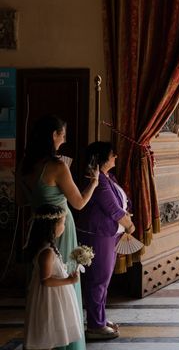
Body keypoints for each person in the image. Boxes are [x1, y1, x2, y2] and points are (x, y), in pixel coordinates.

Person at [20, 114, 99, 350]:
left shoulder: (26, 164)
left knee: (39, 283)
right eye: (62, 133)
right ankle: (67, 343)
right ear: (54, 135)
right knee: (65, 281)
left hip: (37, 228)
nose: (64, 138)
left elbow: (22, 200)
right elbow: (79, 203)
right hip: (60, 230)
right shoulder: (57, 165)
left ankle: (44, 339)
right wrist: (94, 182)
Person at [76, 141, 135, 340]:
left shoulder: (106, 177)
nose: (115, 157)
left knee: (103, 279)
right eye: (112, 154)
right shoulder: (98, 180)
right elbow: (113, 209)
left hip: (108, 234)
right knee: (98, 279)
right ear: (102, 159)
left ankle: (99, 318)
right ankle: (95, 325)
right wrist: (129, 224)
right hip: (98, 234)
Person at [23, 204, 83, 350]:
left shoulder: (49, 248)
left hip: (54, 296)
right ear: (52, 226)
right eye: (62, 222)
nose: (64, 226)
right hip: (49, 298)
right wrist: (69, 280)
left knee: (53, 334)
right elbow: (46, 280)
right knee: (48, 333)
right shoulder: (47, 252)